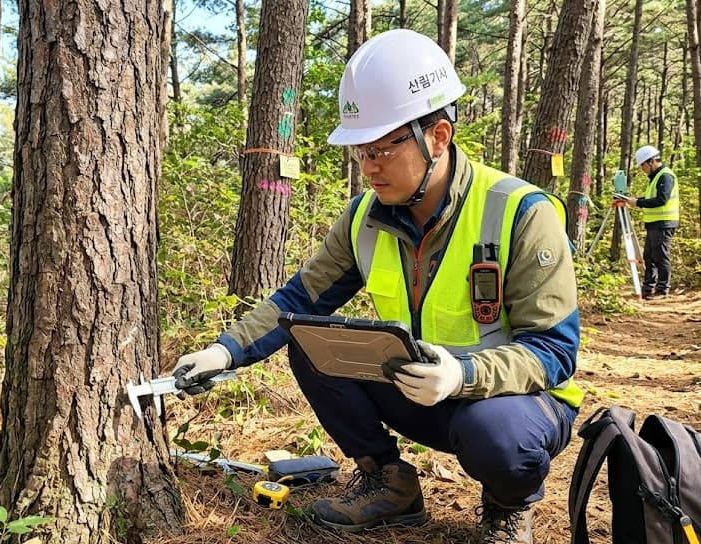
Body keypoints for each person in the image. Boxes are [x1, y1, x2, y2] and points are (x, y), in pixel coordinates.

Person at [171, 29, 583, 544]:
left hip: (514, 405)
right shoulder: (364, 218)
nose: (368, 168)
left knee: (496, 436)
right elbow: (298, 300)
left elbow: (554, 352)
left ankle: (507, 504)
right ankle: (389, 482)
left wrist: (463, 374)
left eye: (383, 150)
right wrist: (223, 352)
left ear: (437, 137)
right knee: (311, 337)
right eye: (361, 152)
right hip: (421, 390)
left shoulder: (520, 211)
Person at [621, 145, 679, 299]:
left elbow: (661, 200)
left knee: (661, 256)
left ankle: (662, 289)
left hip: (664, 223)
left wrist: (638, 203)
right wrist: (634, 200)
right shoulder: (655, 178)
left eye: (643, 165)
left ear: (651, 161)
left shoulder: (665, 176)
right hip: (654, 223)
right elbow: (651, 198)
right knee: (649, 256)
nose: (642, 169)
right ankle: (648, 287)